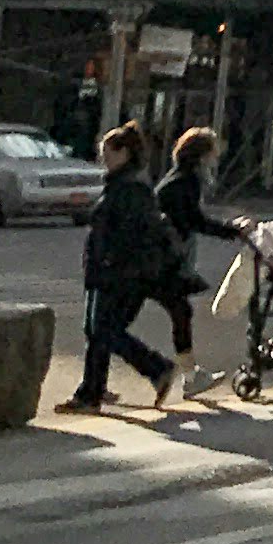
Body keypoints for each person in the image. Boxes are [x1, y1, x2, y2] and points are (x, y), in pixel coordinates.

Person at [59, 122, 181, 414]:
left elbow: (129, 233)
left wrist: (110, 261)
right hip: (106, 271)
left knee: (105, 331)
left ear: (124, 153)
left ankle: (154, 369)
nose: (104, 159)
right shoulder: (120, 184)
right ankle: (94, 389)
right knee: (96, 331)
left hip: (117, 273)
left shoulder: (130, 188)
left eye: (108, 153)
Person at [152, 125, 247, 399]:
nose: (215, 159)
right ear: (202, 155)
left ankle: (186, 375)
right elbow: (194, 220)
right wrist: (230, 230)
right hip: (162, 259)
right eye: (213, 153)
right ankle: (184, 375)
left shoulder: (178, 177)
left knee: (179, 311)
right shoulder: (186, 182)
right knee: (178, 311)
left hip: (160, 256)